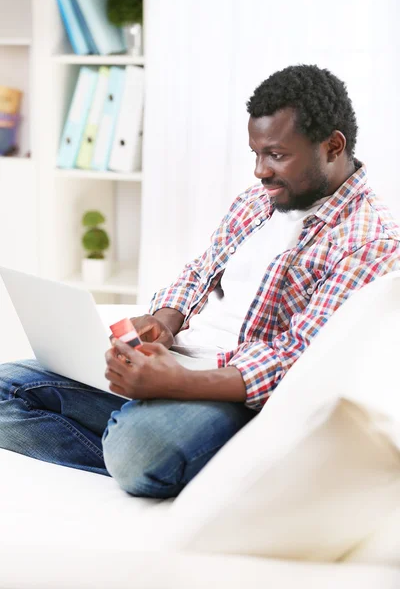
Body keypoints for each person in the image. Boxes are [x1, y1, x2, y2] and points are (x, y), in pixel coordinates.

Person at [1, 64, 399, 498]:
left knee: (140, 450)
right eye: (256, 154)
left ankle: (150, 437)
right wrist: (164, 321)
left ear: (332, 145)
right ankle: (154, 435)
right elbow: (197, 274)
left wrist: (176, 383)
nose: (260, 171)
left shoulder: (370, 239)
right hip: (178, 362)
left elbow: (296, 360)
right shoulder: (258, 201)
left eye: (277, 155)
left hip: (229, 392)